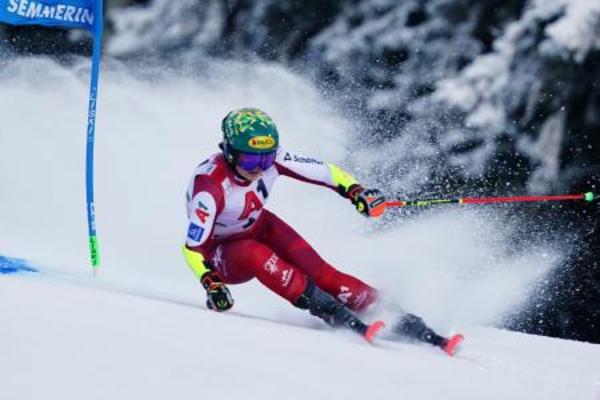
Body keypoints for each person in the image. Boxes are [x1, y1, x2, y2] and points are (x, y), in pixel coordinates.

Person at [183, 108, 463, 354]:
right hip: (223, 254)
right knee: (254, 253)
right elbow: (193, 248)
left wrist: (357, 192)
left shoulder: (275, 158)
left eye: (266, 160)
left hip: (259, 225)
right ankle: (327, 309)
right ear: (229, 151)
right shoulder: (210, 186)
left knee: (324, 274)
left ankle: (398, 316)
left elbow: (326, 172)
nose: (259, 168)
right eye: (249, 161)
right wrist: (212, 284)